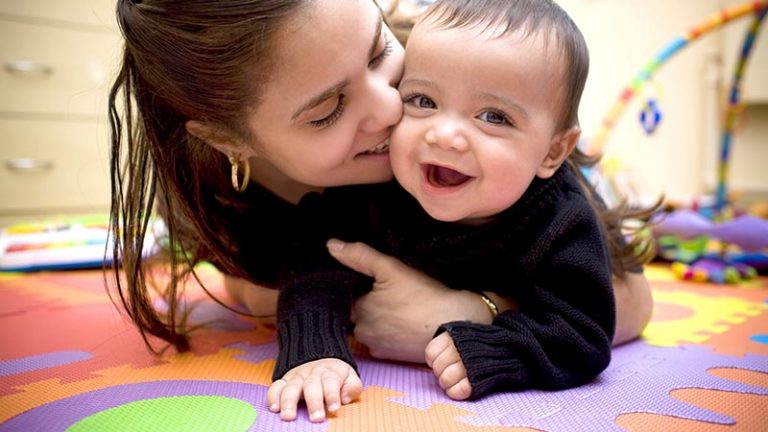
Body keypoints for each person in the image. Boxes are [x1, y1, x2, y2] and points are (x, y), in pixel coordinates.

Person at [107, 0, 654, 424]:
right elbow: (266, 281)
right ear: (230, 141)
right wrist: (307, 325)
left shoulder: (454, 64)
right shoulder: (215, 197)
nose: (393, 106)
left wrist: (472, 312)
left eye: (377, 53)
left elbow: (622, 300)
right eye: (327, 110)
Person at [266, 0, 660, 422]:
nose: (444, 134)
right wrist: (315, 351)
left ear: (553, 151)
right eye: (423, 100)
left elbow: (582, 332)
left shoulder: (560, 222)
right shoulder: (376, 189)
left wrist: (491, 344)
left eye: (493, 117)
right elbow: (313, 261)